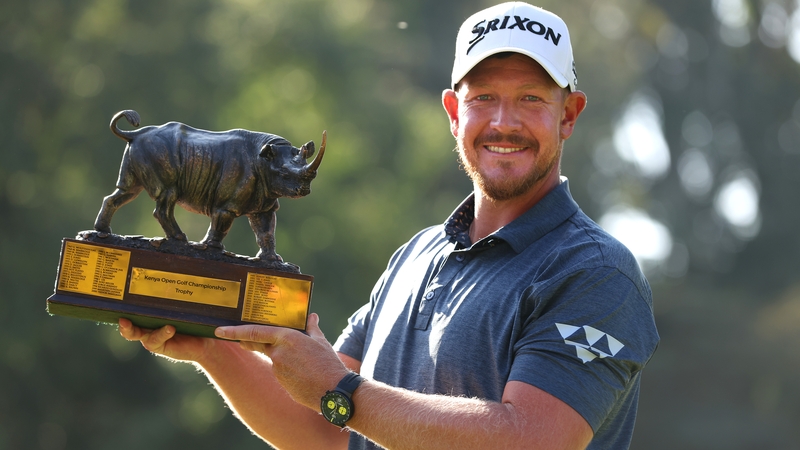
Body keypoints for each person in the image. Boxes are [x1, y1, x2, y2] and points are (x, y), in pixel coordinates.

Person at [119, 2, 659, 449]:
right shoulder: (416, 256)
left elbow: (531, 440)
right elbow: (322, 429)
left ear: (568, 115)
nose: (503, 122)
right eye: (484, 98)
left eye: (531, 99)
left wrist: (339, 388)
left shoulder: (596, 273)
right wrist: (210, 346)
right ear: (453, 112)